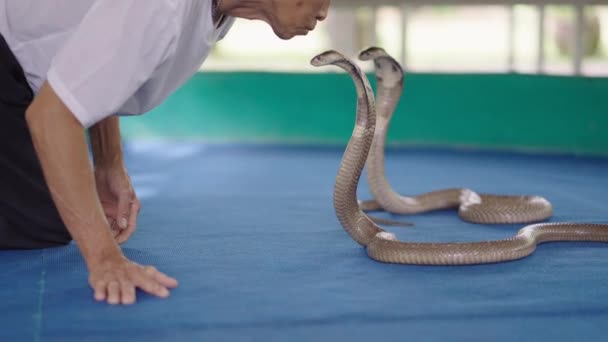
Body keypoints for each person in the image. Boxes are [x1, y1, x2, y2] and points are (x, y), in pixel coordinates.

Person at [0, 0, 330, 305]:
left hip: (22, 73)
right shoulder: (163, 6)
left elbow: (95, 67)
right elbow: (50, 117)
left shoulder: (216, 12)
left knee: (49, 212)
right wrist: (105, 259)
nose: (324, 12)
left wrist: (109, 162)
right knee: (41, 219)